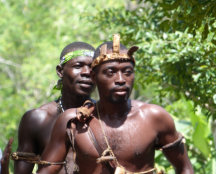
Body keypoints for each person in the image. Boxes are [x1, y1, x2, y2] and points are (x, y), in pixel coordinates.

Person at [37, 34, 194, 174]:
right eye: (110, 72)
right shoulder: (73, 121)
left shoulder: (154, 118)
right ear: (93, 76)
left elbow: (185, 168)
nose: (120, 80)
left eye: (127, 72)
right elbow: (47, 170)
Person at [13, 42, 95, 174]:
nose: (86, 72)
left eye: (92, 68)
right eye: (78, 66)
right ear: (60, 71)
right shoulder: (38, 119)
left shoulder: (104, 117)